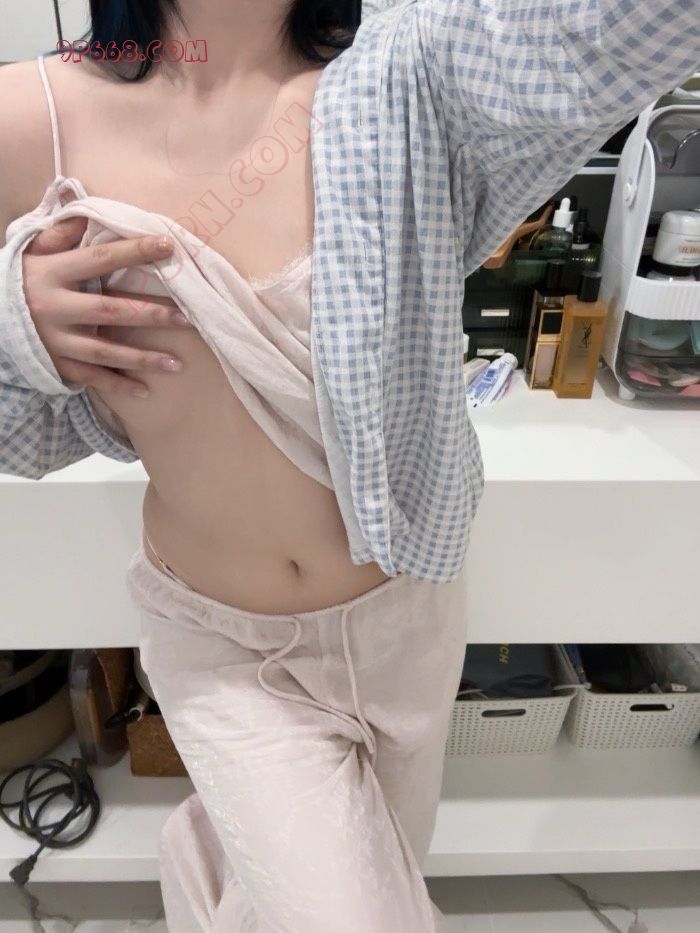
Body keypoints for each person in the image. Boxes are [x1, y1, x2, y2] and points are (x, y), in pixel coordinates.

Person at [0, 1, 698, 930]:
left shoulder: (408, 73)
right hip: (229, 651)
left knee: (384, 863)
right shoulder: (31, 117)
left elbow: (612, 31)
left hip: (406, 621)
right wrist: (15, 328)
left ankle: (222, 859)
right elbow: (22, 432)